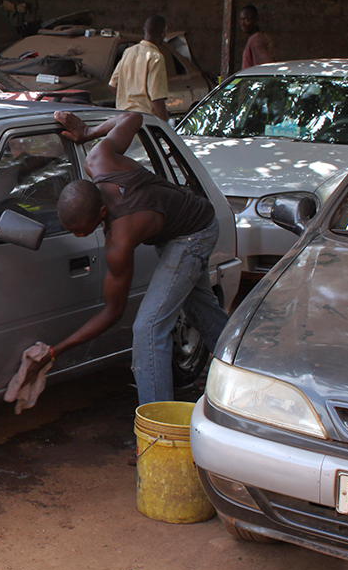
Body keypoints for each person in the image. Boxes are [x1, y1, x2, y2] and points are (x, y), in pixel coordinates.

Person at [26, 111, 229, 406]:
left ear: (102, 214)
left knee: (148, 328)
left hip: (193, 235)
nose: (79, 237)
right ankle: (246, 373)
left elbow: (112, 313)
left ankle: (155, 431)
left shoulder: (120, 238)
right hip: (184, 218)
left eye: (82, 232)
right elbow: (133, 118)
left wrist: (55, 351)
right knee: (200, 309)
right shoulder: (98, 158)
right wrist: (88, 131)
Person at [108, 15, 169, 122]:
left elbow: (113, 85)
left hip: (122, 118)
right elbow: (157, 98)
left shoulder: (128, 52)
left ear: (145, 30)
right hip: (144, 120)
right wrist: (165, 124)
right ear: (163, 33)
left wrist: (126, 100)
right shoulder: (155, 57)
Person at [239, 5, 276, 69]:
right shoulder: (261, 36)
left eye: (247, 20)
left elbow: (263, 68)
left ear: (256, 20)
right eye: (241, 19)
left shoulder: (255, 41)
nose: (243, 23)